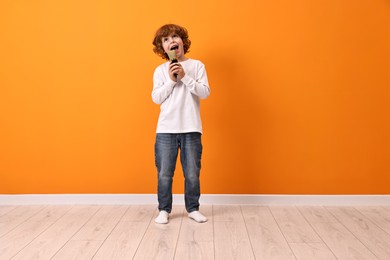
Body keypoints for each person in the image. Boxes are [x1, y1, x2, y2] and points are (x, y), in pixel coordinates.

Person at [151, 24, 210, 224]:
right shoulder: (160, 71)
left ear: (182, 41)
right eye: (165, 40)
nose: (171, 41)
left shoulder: (197, 66)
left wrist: (185, 77)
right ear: (163, 48)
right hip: (166, 130)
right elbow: (156, 98)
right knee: (165, 173)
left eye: (174, 36)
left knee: (192, 173)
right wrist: (171, 80)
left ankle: (192, 208)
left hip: (191, 128)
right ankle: (164, 210)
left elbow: (205, 92)